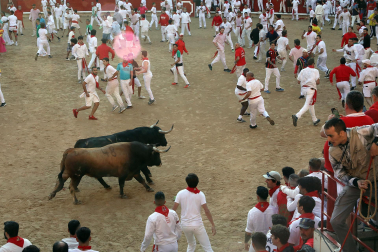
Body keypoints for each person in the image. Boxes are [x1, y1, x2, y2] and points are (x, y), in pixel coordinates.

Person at [172, 173, 215, 252]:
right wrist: (212, 224)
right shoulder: (200, 194)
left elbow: (173, 211)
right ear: (197, 182)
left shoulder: (180, 193)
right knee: (207, 247)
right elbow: (206, 210)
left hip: (185, 225)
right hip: (197, 225)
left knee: (191, 244)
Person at [244, 186, 275, 251]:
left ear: (258, 197)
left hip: (257, 243)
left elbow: (248, 232)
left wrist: (246, 242)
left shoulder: (252, 212)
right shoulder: (274, 210)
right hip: (271, 241)